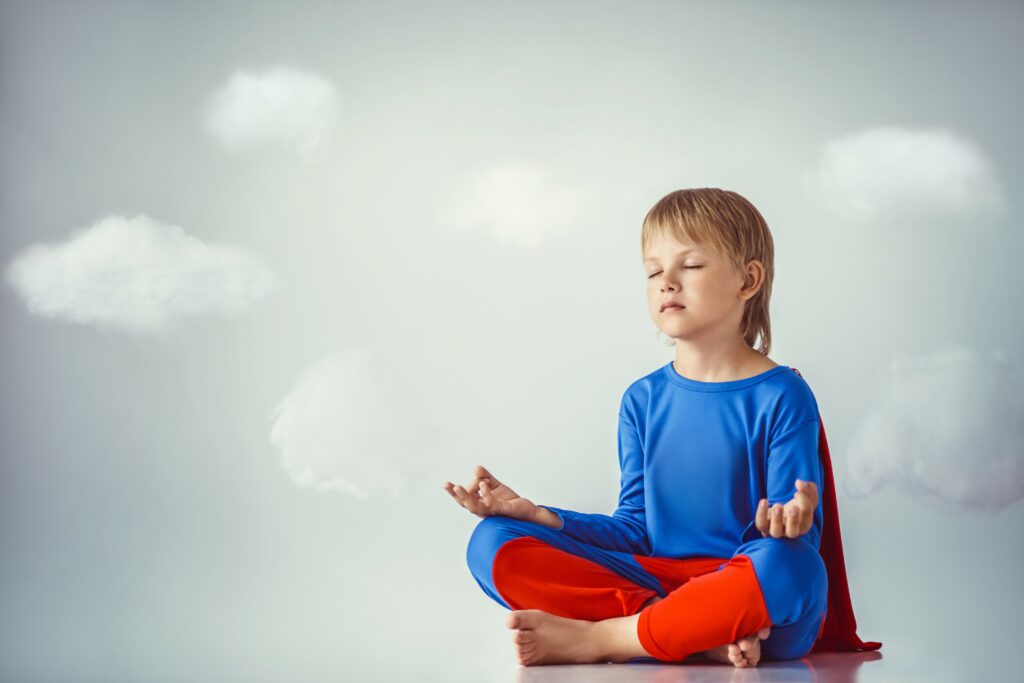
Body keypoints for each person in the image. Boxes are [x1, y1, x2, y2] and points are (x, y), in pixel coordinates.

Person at [443, 188, 881, 667]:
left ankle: (605, 639)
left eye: (690, 266)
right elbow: (635, 530)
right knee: (491, 542)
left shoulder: (782, 395)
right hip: (658, 584)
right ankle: (688, 635)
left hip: (749, 593)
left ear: (748, 281)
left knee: (794, 568)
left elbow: (798, 533)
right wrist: (541, 517)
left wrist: (789, 524)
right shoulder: (641, 401)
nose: (666, 282)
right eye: (653, 271)